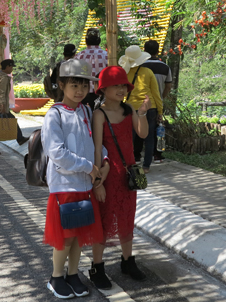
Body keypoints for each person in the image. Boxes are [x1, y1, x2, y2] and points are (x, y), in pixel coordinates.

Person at [41, 59, 103, 299]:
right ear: (61, 85)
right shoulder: (54, 115)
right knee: (65, 237)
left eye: (84, 86)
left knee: (79, 235)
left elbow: (95, 144)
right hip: (65, 185)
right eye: (74, 85)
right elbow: (56, 153)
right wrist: (88, 166)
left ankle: (73, 274)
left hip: (85, 184)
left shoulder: (86, 111)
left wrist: (102, 161)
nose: (80, 91)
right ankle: (56, 277)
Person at [89, 65, 150, 289]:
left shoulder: (129, 110)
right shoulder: (99, 114)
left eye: (123, 85)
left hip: (128, 174)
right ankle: (97, 267)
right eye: (116, 85)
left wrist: (142, 112)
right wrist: (98, 183)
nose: (121, 89)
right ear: (103, 89)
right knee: (104, 221)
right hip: (108, 174)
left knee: (126, 217)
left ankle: (127, 261)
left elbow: (142, 134)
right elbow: (97, 149)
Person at [119, 45, 163, 173]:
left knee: (130, 138)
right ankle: (146, 166)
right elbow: (156, 94)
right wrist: (160, 111)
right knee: (149, 138)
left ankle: (130, 163)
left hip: (130, 108)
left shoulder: (124, 73)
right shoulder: (148, 72)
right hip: (149, 107)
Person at [0, 59, 29, 155]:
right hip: (0, 105)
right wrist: (3, 105)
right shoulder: (3, 78)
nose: (12, 69)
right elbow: (2, 93)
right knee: (0, 125)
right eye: (11, 67)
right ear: (7, 66)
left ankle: (19, 139)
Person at [139, 40, 173, 162]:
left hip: (140, 102)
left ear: (144, 50)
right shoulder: (165, 67)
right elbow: (168, 86)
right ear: (158, 50)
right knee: (154, 130)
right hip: (156, 103)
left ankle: (136, 154)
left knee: (138, 128)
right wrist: (161, 98)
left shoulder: (140, 66)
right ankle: (156, 154)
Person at [75, 28, 107, 108]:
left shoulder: (79, 56)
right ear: (99, 40)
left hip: (83, 94)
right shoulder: (106, 56)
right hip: (102, 93)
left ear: (86, 40)